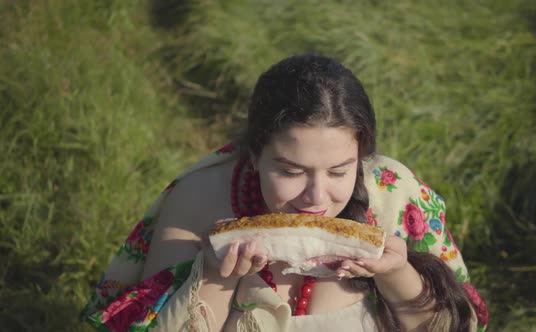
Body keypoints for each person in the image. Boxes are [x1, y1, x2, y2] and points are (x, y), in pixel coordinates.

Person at [80, 54, 488, 331]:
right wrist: (211, 275)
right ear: (254, 155)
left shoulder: (396, 196)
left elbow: (459, 327)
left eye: (339, 171)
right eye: (291, 171)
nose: (316, 197)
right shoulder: (198, 199)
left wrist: (399, 275)